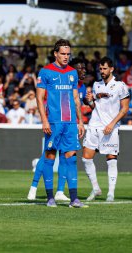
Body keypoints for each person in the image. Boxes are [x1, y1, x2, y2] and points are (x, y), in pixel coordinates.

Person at [27, 56, 87, 203]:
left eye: (84, 68)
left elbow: (77, 101)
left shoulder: (80, 84)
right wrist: (45, 120)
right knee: (48, 156)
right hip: (54, 121)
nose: (82, 71)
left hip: (70, 123)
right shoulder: (48, 72)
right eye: (80, 68)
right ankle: (37, 189)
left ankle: (66, 194)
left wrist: (81, 121)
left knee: (69, 158)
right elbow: (40, 97)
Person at [82, 57, 130, 202]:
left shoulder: (120, 86)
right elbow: (94, 107)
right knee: (86, 158)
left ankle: (111, 193)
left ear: (111, 69)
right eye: (100, 69)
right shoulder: (96, 85)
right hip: (94, 125)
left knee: (111, 160)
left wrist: (112, 124)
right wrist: (90, 100)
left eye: (104, 69)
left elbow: (125, 109)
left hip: (110, 128)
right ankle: (96, 189)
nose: (102, 71)